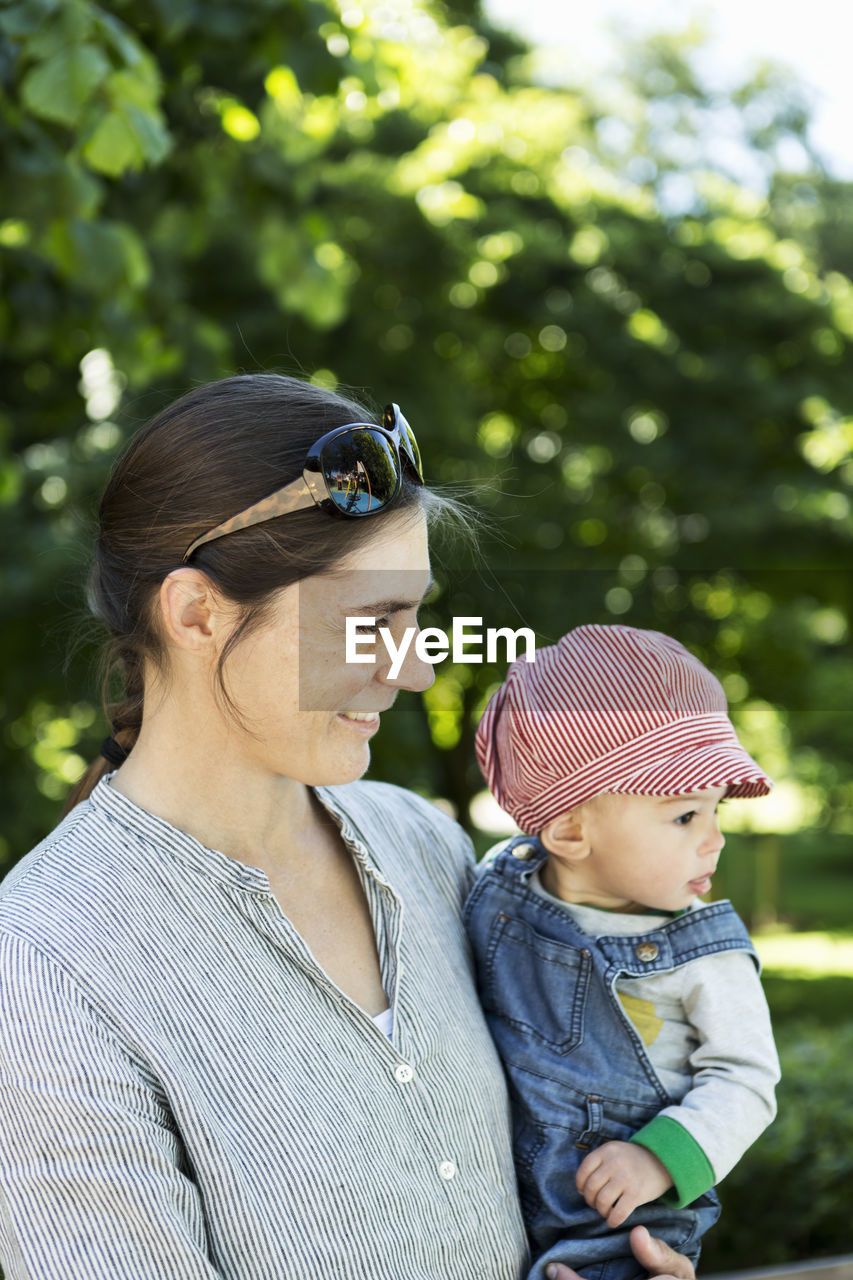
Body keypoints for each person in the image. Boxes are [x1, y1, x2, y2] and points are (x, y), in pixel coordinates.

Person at [0, 374, 696, 1280]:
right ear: (197, 613)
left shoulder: (428, 848)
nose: (413, 673)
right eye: (372, 621)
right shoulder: (45, 968)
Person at [466, 624, 781, 1280]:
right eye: (684, 816)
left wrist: (659, 1158)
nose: (714, 839)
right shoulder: (499, 893)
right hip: (491, 1196)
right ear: (568, 829)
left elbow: (747, 1079)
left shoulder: (702, 953)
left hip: (619, 1220)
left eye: (716, 811)